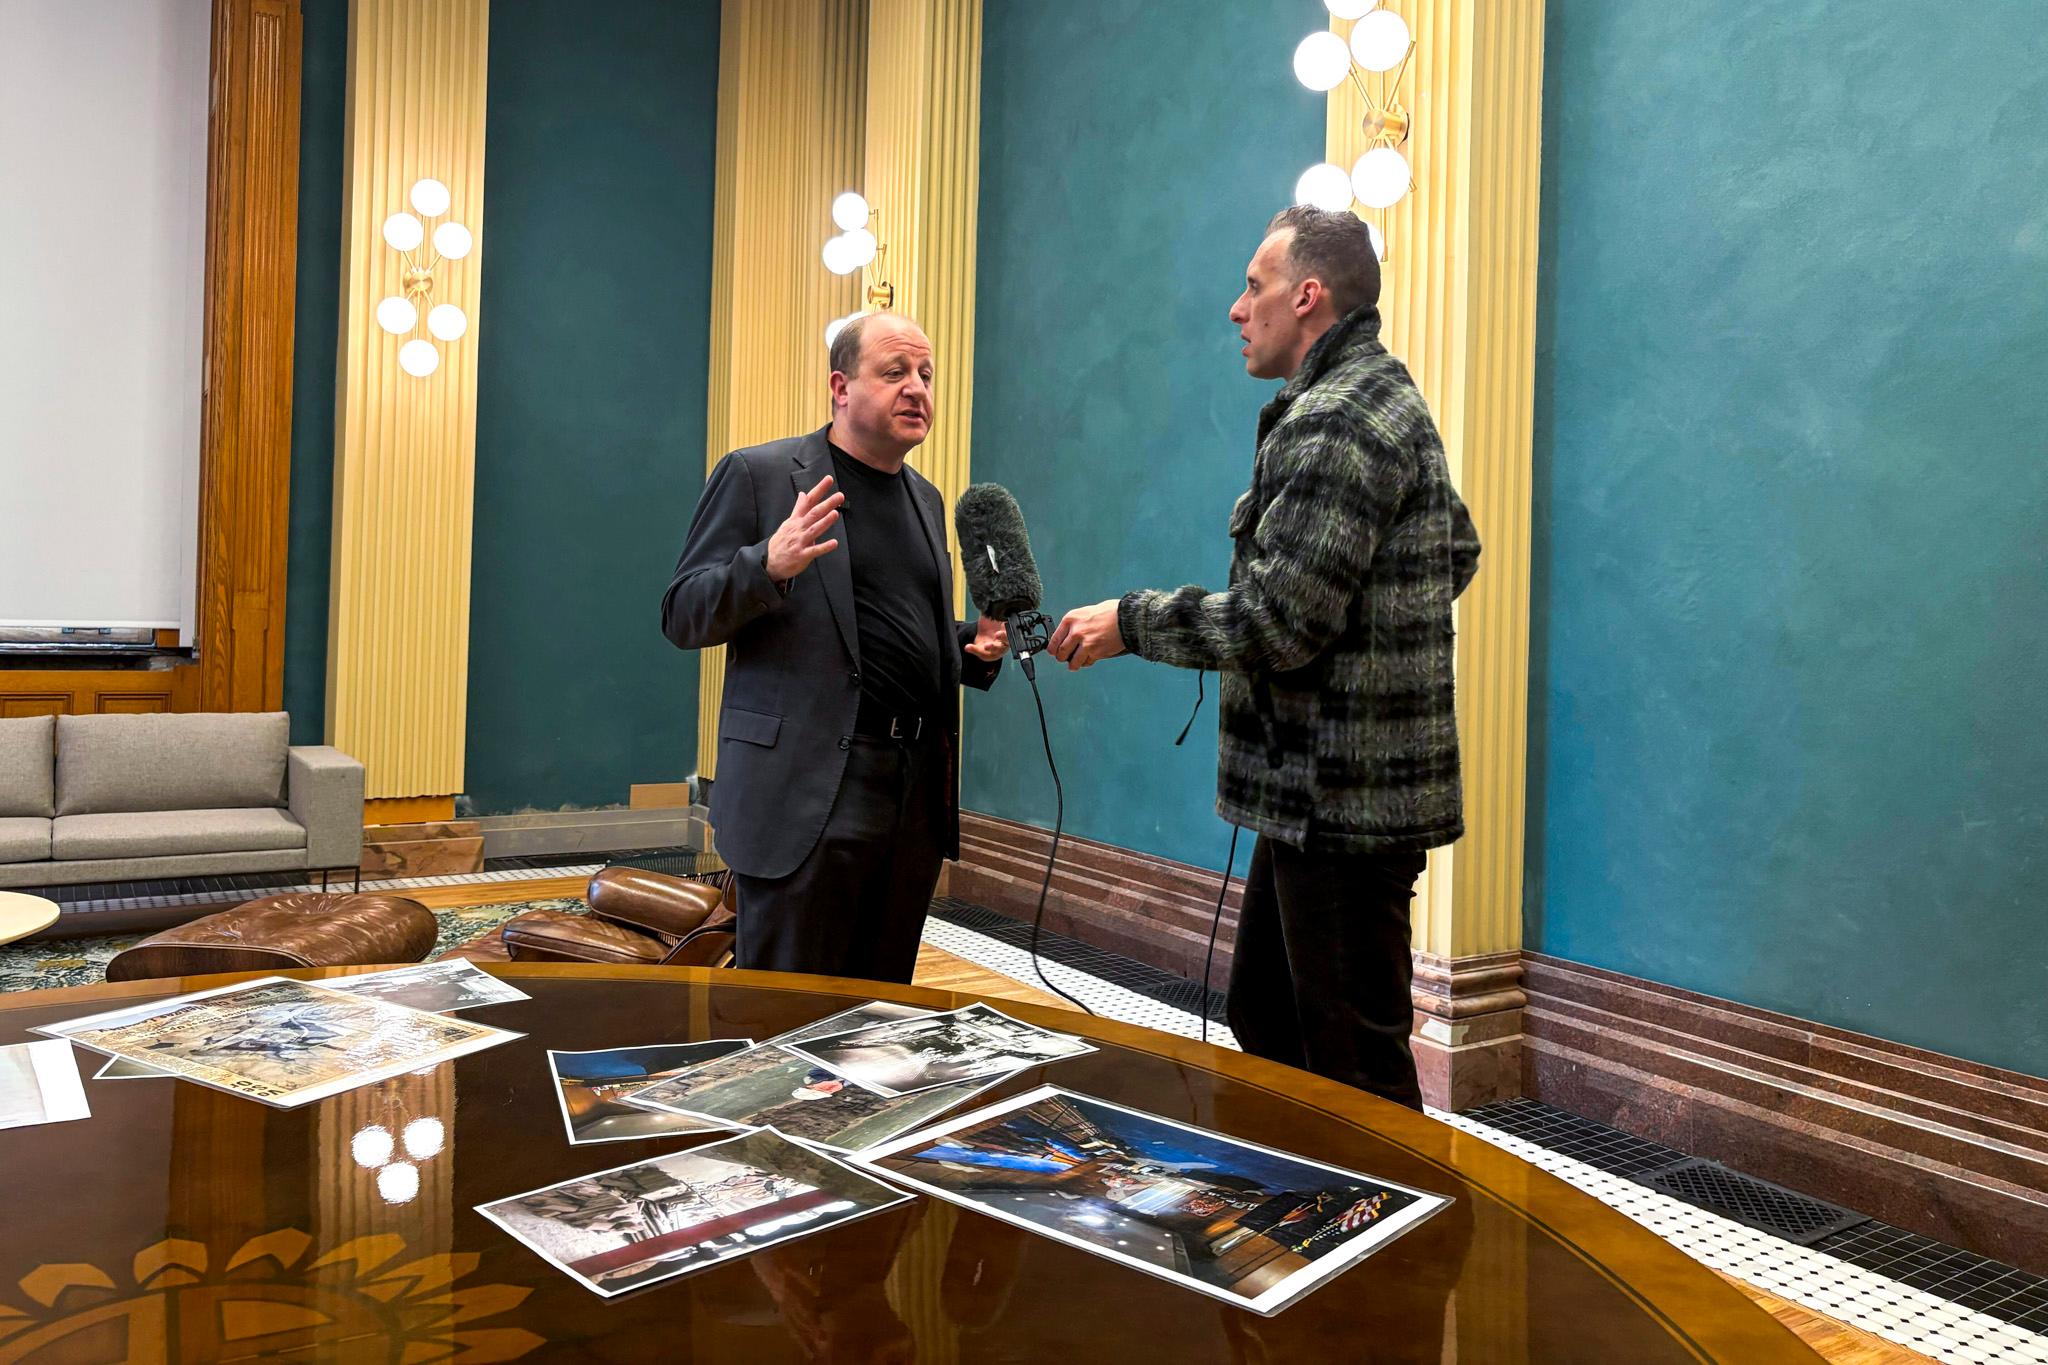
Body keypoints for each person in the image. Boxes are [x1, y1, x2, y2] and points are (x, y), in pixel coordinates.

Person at [1048, 206, 1480, 1111]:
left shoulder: (1341, 419)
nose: (1237, 309)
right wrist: (1376, 642)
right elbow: (1456, 551)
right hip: (1317, 800)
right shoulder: (1372, 397)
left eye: (1254, 286)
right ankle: (1307, 1214)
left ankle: (1393, 1243)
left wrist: (1129, 622)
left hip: (1342, 806)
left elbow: (1279, 621)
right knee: (1269, 1016)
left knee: (1356, 1068)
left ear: (1309, 295)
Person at [661, 312, 1005, 982]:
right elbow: (682, 613)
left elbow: (893, 636)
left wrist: (971, 645)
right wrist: (767, 564)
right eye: (896, 371)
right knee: (784, 1010)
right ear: (840, 387)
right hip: (806, 791)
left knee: (879, 1012)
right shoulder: (759, 475)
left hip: (909, 797)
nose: (917, 388)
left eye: (927, 374)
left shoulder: (926, 500)